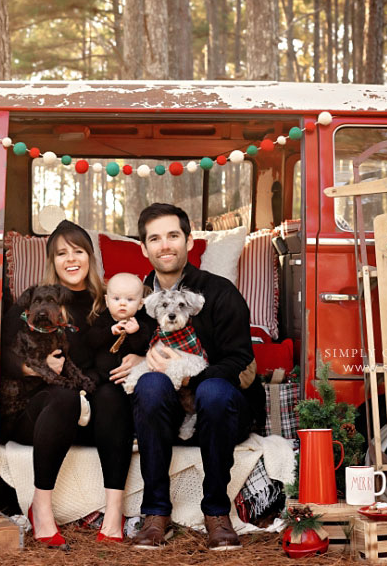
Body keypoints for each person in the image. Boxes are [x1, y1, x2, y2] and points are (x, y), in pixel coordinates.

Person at [110, 203, 254, 551]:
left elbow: (241, 360)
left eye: (173, 235)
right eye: (155, 239)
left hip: (218, 402)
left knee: (215, 393)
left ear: (189, 241)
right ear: (143, 248)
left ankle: (217, 511)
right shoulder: (137, 298)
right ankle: (156, 513)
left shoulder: (219, 292)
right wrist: (140, 358)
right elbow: (118, 348)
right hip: (165, 408)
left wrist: (191, 377)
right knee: (150, 383)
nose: (165, 245)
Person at [0, 220, 133, 548]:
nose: (71, 259)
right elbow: (0, 352)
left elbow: (112, 362)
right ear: (52, 261)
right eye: (61, 253)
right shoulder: (34, 302)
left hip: (90, 409)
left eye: (78, 251)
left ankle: (113, 515)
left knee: (112, 395)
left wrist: (138, 358)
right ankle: (41, 510)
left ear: (90, 256)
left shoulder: (108, 302)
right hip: (41, 412)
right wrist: (35, 368)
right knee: (63, 397)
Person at [86, 273, 151, 387]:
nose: (122, 303)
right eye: (116, 298)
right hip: (103, 375)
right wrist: (109, 331)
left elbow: (143, 347)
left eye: (130, 299)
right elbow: (91, 340)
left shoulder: (141, 325)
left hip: (130, 378)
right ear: (107, 301)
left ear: (140, 303)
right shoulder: (103, 319)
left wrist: (135, 333)